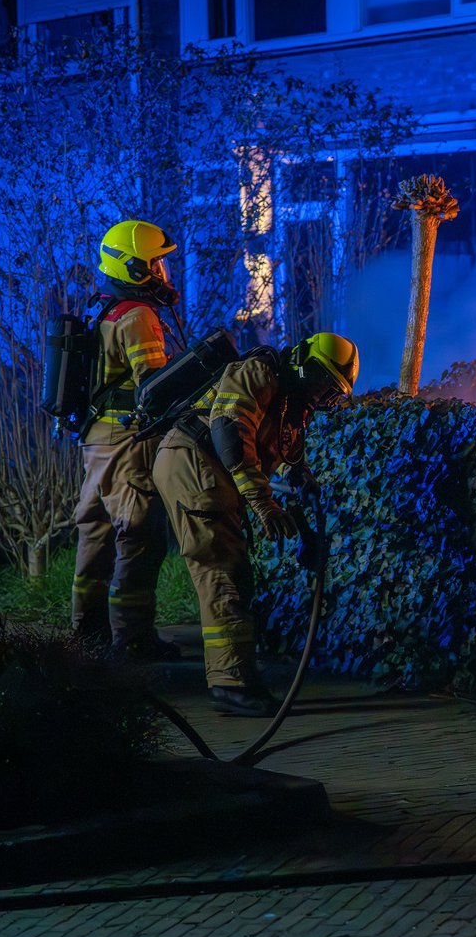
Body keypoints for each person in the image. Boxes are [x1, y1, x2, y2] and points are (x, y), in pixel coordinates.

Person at [153, 332, 358, 717]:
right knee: (221, 571)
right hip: (192, 461)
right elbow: (230, 431)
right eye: (320, 384)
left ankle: (234, 677)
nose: (320, 397)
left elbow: (281, 457)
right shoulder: (260, 373)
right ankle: (231, 684)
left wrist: (305, 526)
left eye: (331, 393)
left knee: (234, 573)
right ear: (302, 363)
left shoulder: (288, 403)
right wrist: (263, 505)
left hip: (207, 469)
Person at [71, 220, 182, 661]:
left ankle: (87, 633)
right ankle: (132, 639)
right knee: (139, 535)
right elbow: (154, 386)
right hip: (125, 442)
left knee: (94, 533)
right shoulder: (137, 316)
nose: (162, 272)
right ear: (135, 266)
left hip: (94, 441)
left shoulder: (101, 308)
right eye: (155, 263)